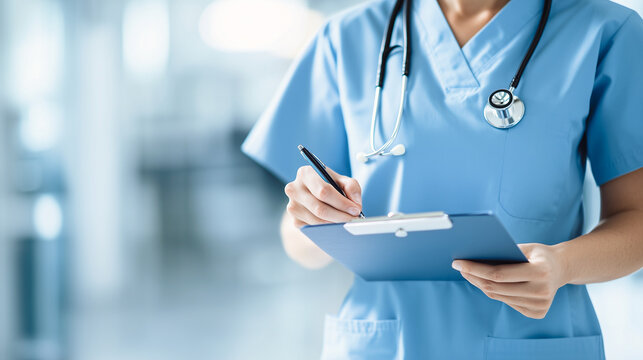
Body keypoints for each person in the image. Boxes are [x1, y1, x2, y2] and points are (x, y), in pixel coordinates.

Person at [241, 0, 643, 358]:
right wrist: (311, 217)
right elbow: (300, 242)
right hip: (380, 344)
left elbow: (635, 218)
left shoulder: (606, 31)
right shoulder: (347, 37)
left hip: (533, 341)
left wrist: (563, 266)